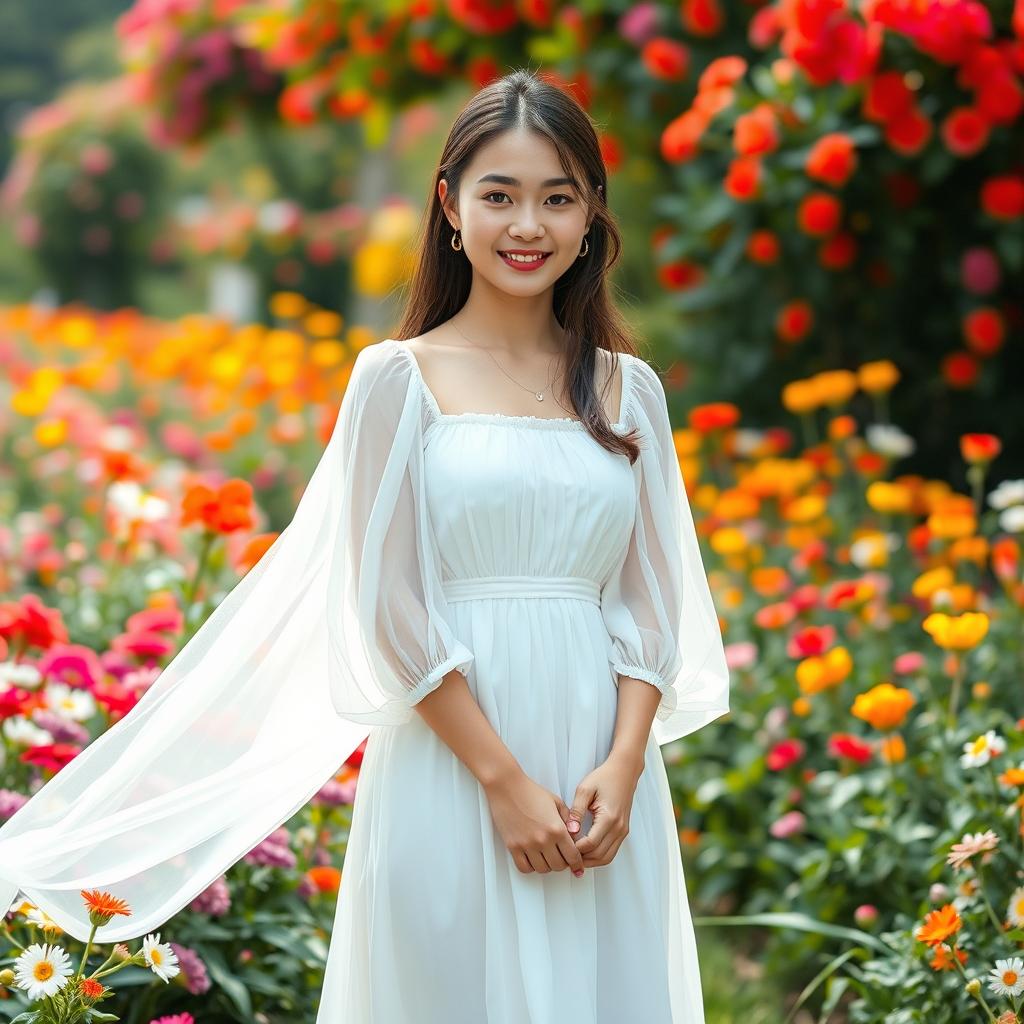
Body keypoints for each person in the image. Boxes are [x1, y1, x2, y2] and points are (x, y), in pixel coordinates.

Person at [0, 69, 729, 1022]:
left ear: (592, 214)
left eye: (558, 197)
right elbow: (389, 607)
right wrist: (503, 783)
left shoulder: (629, 391)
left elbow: (651, 604)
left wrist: (627, 765)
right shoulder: (397, 380)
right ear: (450, 207)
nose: (528, 225)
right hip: (456, 758)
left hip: (602, 771)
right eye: (499, 195)